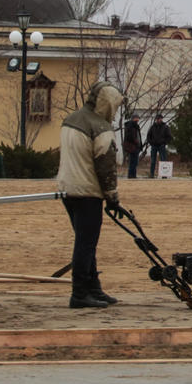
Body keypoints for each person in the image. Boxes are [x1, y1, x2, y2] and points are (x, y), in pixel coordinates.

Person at [56, 82, 125, 309]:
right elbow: (105, 166)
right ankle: (79, 294)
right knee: (86, 244)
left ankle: (93, 288)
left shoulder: (71, 119)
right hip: (88, 192)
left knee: (85, 242)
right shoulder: (101, 128)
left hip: (67, 189)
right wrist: (112, 195)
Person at [146, 113, 173, 178]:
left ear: (162, 119)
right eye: (157, 119)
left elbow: (169, 137)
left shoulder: (165, 127)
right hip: (154, 146)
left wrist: (164, 143)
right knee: (153, 160)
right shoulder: (152, 127)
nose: (158, 120)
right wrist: (151, 142)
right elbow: (148, 136)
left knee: (163, 160)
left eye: (160, 119)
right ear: (156, 120)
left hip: (161, 146)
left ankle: (164, 174)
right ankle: (151, 174)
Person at [122, 112, 143, 179]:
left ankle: (133, 174)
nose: (138, 119)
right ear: (133, 118)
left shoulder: (135, 126)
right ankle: (131, 175)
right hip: (132, 146)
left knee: (134, 161)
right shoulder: (131, 126)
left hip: (135, 146)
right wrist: (136, 141)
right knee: (133, 161)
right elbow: (130, 136)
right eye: (136, 118)